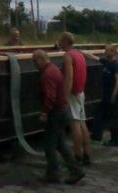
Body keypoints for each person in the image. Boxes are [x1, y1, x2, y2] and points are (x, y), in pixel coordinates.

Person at [32, 49, 84, 184]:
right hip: (63, 110)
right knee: (61, 144)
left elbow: (50, 96)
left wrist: (44, 112)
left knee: (49, 145)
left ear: (41, 59)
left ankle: (53, 174)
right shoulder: (54, 69)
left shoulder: (47, 74)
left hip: (55, 113)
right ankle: (76, 170)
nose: (34, 64)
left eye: (35, 61)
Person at [59, 32, 93, 166]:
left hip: (72, 93)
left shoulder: (68, 56)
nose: (59, 43)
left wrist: (64, 96)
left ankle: (77, 156)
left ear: (65, 42)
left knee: (75, 125)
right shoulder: (79, 54)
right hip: (80, 92)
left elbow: (69, 78)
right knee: (82, 123)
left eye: (60, 41)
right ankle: (87, 154)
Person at [90, 44, 118, 146]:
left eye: (106, 50)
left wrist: (114, 95)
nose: (104, 52)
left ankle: (114, 140)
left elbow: (117, 81)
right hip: (106, 94)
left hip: (112, 95)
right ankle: (97, 135)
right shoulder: (106, 61)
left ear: (112, 52)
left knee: (113, 117)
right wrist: (82, 53)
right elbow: (95, 58)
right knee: (101, 114)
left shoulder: (115, 64)